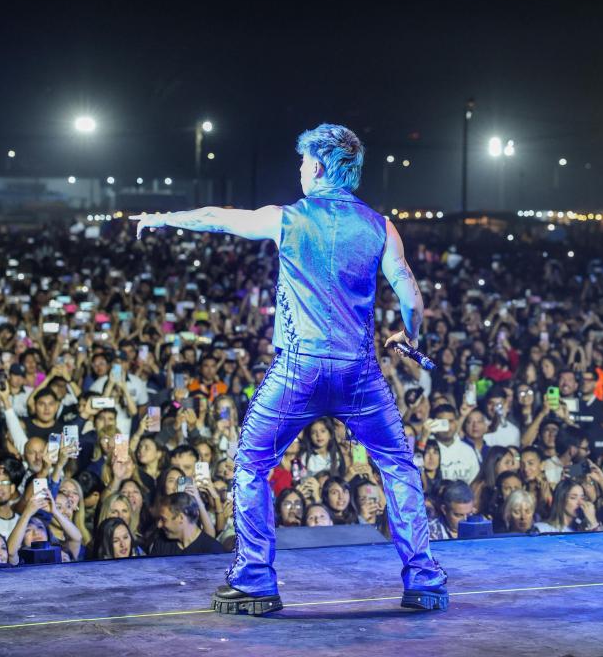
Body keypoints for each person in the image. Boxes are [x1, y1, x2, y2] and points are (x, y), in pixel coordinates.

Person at [132, 123, 446, 614]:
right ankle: (424, 580)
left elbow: (219, 218)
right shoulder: (381, 226)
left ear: (318, 168)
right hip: (359, 373)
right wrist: (412, 337)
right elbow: (407, 288)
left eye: (303, 163)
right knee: (398, 467)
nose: (299, 170)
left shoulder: (289, 218)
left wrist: (163, 217)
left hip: (299, 369)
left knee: (252, 463)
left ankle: (256, 580)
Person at [148, 491, 226, 556]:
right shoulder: (161, 544)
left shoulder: (212, 551)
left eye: (163, 519)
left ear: (181, 518)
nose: (159, 525)